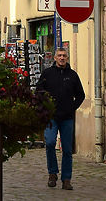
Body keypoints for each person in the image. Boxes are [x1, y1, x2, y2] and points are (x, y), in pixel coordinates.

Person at [35, 47, 85, 190]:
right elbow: (38, 92)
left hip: (67, 117)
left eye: (64, 56)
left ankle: (66, 179)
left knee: (67, 149)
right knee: (50, 143)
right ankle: (52, 173)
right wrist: (44, 107)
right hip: (51, 117)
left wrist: (72, 107)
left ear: (67, 58)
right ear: (55, 58)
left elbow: (81, 95)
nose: (62, 58)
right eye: (59, 56)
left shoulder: (73, 75)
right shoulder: (47, 74)